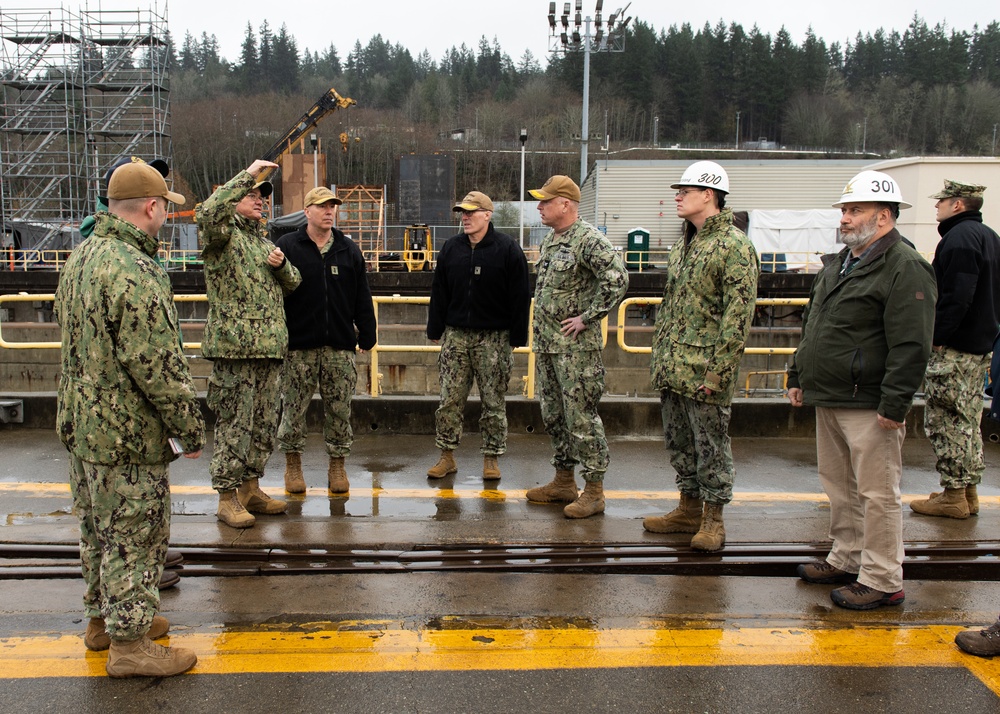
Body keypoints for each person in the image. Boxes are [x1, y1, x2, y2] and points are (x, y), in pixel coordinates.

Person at [54, 162, 205, 677]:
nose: (166, 213)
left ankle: (103, 621)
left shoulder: (81, 257)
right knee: (135, 534)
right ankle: (130, 645)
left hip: (83, 427)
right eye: (165, 204)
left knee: (97, 528)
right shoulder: (135, 270)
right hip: (126, 435)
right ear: (151, 207)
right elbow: (158, 366)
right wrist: (189, 427)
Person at [788, 170, 936, 610]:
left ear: (885, 217)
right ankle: (847, 556)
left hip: (869, 402)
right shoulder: (842, 262)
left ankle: (882, 577)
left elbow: (912, 342)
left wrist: (896, 402)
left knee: (876, 493)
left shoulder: (905, 267)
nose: (846, 218)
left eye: (855, 210)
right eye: (845, 210)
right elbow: (814, 322)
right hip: (832, 395)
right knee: (840, 486)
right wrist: (798, 375)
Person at [643, 161, 759, 552]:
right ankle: (688, 507)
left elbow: (737, 318)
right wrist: (661, 359)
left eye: (685, 191)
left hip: (705, 370)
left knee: (711, 445)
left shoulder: (734, 246)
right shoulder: (684, 244)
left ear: (708, 195)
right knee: (680, 442)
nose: (677, 197)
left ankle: (713, 518)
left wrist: (719, 373)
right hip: (674, 366)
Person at [197, 160, 301, 528]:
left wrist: (281, 266)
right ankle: (227, 496)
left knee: (264, 422)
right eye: (252, 194)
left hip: (270, 348)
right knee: (235, 424)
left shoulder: (262, 241)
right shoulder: (221, 236)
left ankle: (250, 488)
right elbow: (207, 213)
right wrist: (247, 173)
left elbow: (293, 283)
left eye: (262, 195)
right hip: (236, 349)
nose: (260, 200)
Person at [524, 175, 628, 518]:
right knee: (554, 416)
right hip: (550, 347)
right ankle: (564, 481)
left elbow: (618, 279)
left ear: (565, 204)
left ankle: (594, 490)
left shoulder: (588, 240)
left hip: (576, 351)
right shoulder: (554, 241)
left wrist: (588, 317)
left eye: (545, 201)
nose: (539, 207)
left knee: (582, 419)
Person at [275, 186, 377, 495]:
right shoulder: (288, 246)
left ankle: (337, 466)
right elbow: (276, 294)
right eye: (322, 206)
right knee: (293, 410)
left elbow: (361, 293)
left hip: (339, 346)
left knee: (340, 410)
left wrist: (367, 330)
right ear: (307, 211)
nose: (329, 210)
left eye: (332, 206)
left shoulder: (347, 249)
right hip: (298, 347)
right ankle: (293, 466)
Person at [425, 190, 530, 481]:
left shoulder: (507, 249)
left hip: (494, 338)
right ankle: (446, 456)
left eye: (472, 211)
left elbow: (520, 296)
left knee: (493, 401)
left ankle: (491, 458)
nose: (466, 217)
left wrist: (517, 337)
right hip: (456, 336)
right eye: (463, 212)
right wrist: (435, 329)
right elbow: (440, 291)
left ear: (488, 214)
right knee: (449, 400)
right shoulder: (451, 248)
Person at [911, 180, 1000, 520]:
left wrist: (938, 335)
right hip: (980, 345)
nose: (937, 207)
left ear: (958, 205)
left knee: (946, 419)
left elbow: (956, 296)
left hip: (956, 348)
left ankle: (954, 496)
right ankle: (968, 491)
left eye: (942, 202)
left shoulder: (959, 239)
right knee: (968, 419)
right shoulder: (989, 236)